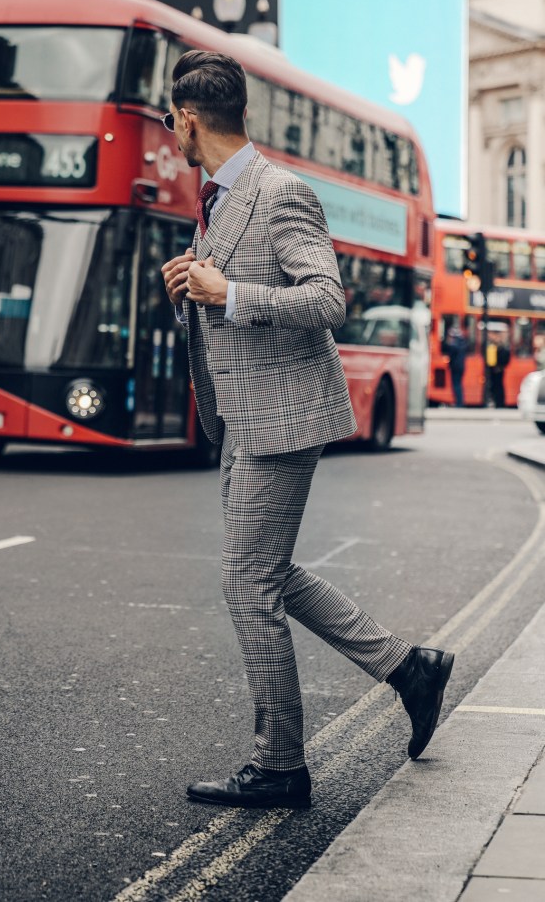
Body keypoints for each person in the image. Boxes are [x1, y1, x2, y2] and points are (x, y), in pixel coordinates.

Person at [161, 50, 454, 810]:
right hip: (243, 414)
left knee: (246, 583)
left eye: (171, 120)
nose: (170, 133)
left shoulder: (279, 190)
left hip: (283, 416)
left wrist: (230, 291)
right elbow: (232, 297)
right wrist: (194, 289)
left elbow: (328, 299)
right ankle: (409, 670)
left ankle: (282, 764)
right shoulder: (219, 198)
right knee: (265, 573)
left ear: (190, 120)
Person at [442, 323, 468, 407]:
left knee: (456, 385)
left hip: (456, 367)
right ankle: (459, 402)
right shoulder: (462, 343)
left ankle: (459, 403)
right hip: (460, 366)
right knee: (458, 384)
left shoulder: (455, 344)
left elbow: (448, 349)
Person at [486, 330, 510, 409]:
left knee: (499, 387)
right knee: (493, 386)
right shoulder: (493, 347)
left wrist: (500, 366)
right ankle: (495, 402)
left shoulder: (503, 348)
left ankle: (500, 403)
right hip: (493, 370)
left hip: (499, 370)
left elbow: (505, 359)